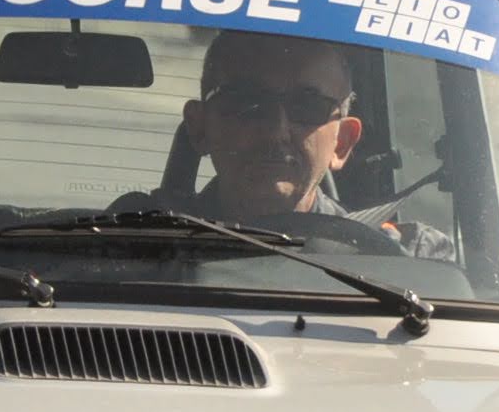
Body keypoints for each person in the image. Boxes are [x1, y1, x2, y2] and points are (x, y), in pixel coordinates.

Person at [124, 30, 451, 258]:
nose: (276, 131)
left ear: (343, 143)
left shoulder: (410, 261)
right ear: (199, 127)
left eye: (307, 107)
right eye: (247, 103)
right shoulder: (127, 243)